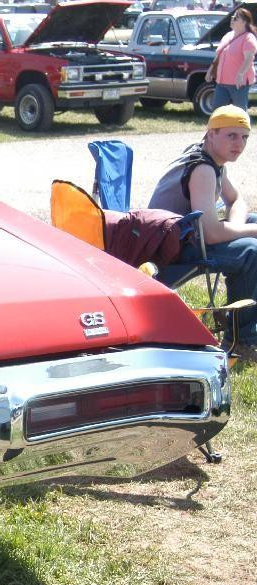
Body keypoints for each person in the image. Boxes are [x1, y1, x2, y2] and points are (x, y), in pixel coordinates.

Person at [149, 105, 257, 360]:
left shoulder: (215, 161)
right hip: (170, 248)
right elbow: (210, 235)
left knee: (251, 226)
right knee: (251, 252)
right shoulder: (203, 169)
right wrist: (248, 232)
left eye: (244, 137)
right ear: (211, 134)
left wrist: (243, 225)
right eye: (231, 135)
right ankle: (241, 340)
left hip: (190, 235)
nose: (239, 144)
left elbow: (237, 199)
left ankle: (243, 323)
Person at [208, 8, 257, 110]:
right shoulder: (228, 35)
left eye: (235, 18)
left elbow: (249, 58)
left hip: (238, 83)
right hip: (222, 81)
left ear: (243, 22)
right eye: (232, 17)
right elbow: (218, 55)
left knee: (240, 111)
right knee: (217, 110)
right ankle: (216, 126)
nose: (232, 19)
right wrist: (210, 71)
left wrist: (240, 74)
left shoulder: (248, 38)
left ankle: (243, 127)